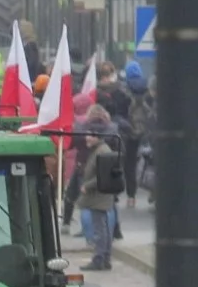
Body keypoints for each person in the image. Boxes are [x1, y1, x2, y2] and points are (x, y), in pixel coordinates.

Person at [65, 108, 121, 269]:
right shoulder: (99, 150)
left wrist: (86, 186)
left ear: (97, 137)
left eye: (89, 135)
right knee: (104, 228)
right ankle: (105, 259)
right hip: (101, 196)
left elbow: (101, 175)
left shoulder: (101, 152)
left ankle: (99, 259)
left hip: (98, 196)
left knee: (100, 229)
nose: (86, 138)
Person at [123, 63, 155, 204]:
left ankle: (131, 196)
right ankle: (154, 190)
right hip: (147, 132)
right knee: (151, 162)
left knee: (129, 163)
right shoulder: (148, 88)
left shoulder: (124, 89)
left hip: (129, 131)